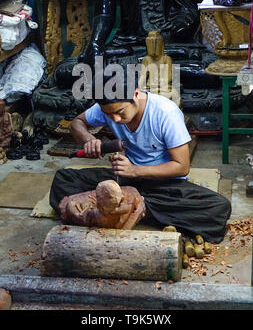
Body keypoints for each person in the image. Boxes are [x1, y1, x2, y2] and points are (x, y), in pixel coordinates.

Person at [50, 72, 231, 243]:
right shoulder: (109, 107)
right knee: (62, 179)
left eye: (120, 112)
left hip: (163, 185)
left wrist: (135, 170)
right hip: (125, 182)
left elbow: (182, 166)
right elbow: (76, 123)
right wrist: (89, 139)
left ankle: (131, 208)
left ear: (136, 94)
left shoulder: (165, 113)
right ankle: (125, 208)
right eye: (108, 115)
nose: (116, 119)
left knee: (218, 207)